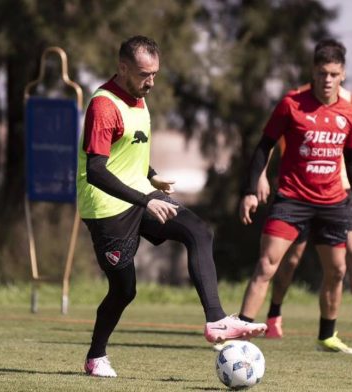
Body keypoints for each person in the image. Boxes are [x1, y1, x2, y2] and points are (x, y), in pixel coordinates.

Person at [77, 35, 266, 378]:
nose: (150, 82)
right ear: (122, 68)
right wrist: (146, 199)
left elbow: (126, 150)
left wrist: (150, 177)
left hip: (138, 195)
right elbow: (96, 170)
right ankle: (95, 357)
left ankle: (216, 321)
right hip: (107, 210)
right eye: (143, 74)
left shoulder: (139, 98)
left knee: (198, 231)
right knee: (124, 291)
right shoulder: (104, 105)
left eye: (154, 74)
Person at [237, 38, 352, 355]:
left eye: (333, 74)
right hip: (292, 199)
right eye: (322, 72)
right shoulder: (291, 103)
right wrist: (249, 190)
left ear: (343, 75)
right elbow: (263, 146)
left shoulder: (351, 107)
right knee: (267, 266)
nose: (327, 80)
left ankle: (327, 335)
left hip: (334, 202)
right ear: (313, 71)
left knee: (337, 270)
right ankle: (239, 333)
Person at [257, 132, 352, 343]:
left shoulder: (346, 104)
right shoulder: (295, 105)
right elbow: (266, 143)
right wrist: (260, 175)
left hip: (343, 193)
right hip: (302, 191)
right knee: (291, 260)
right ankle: (274, 315)